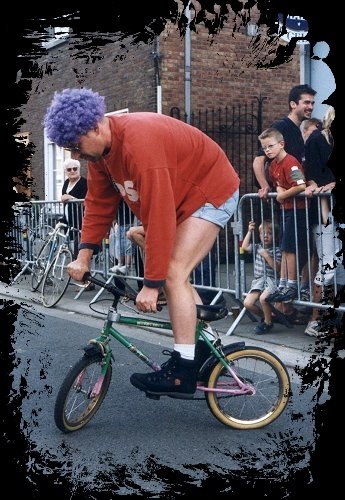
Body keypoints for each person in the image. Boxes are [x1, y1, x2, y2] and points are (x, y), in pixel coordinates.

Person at [44, 87, 240, 399]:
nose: (75, 156)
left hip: (210, 192)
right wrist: (83, 257)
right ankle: (205, 343)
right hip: (180, 199)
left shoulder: (139, 144)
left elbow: (159, 216)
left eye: (76, 146)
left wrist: (152, 284)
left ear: (95, 127)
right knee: (140, 240)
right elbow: (98, 204)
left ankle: (183, 371)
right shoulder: (100, 155)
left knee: (174, 273)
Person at [303, 107, 345, 338]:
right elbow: (311, 173)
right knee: (328, 265)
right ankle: (315, 319)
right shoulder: (318, 139)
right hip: (325, 214)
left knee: (337, 269)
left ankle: (331, 319)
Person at [258, 128, 309, 305]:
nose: (268, 150)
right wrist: (280, 192)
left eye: (270, 146)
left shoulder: (291, 162)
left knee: (290, 247)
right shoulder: (272, 166)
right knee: (284, 247)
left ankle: (292, 284)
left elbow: (301, 185)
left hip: (298, 210)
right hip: (286, 210)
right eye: (265, 148)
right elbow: (277, 185)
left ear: (281, 144)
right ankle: (282, 283)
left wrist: (282, 195)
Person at [253, 84, 316, 200]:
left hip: (294, 200)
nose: (310, 107)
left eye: (312, 103)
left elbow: (297, 170)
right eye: (306, 102)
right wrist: (265, 187)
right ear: (293, 104)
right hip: (282, 201)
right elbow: (258, 160)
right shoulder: (281, 126)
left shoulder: (297, 131)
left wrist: (311, 184)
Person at [241, 219, 281, 334]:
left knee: (263, 299)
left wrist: (267, 256)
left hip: (271, 281)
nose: (265, 236)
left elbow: (277, 268)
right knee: (247, 303)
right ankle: (268, 317)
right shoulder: (258, 247)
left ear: (276, 236)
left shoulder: (277, 250)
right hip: (259, 280)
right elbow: (244, 247)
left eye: (269, 233)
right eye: (262, 233)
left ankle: (268, 323)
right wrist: (249, 231)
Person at [61, 158, 87, 260]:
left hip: (81, 221)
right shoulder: (66, 183)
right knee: (71, 250)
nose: (72, 171)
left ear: (79, 169)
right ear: (65, 172)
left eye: (75, 169)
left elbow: (87, 201)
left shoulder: (84, 183)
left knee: (79, 250)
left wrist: (71, 198)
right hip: (69, 221)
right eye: (69, 169)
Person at [109, 199, 135, 275]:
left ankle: (127, 266)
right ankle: (120, 264)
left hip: (129, 222)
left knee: (128, 244)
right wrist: (114, 218)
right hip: (120, 222)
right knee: (119, 245)